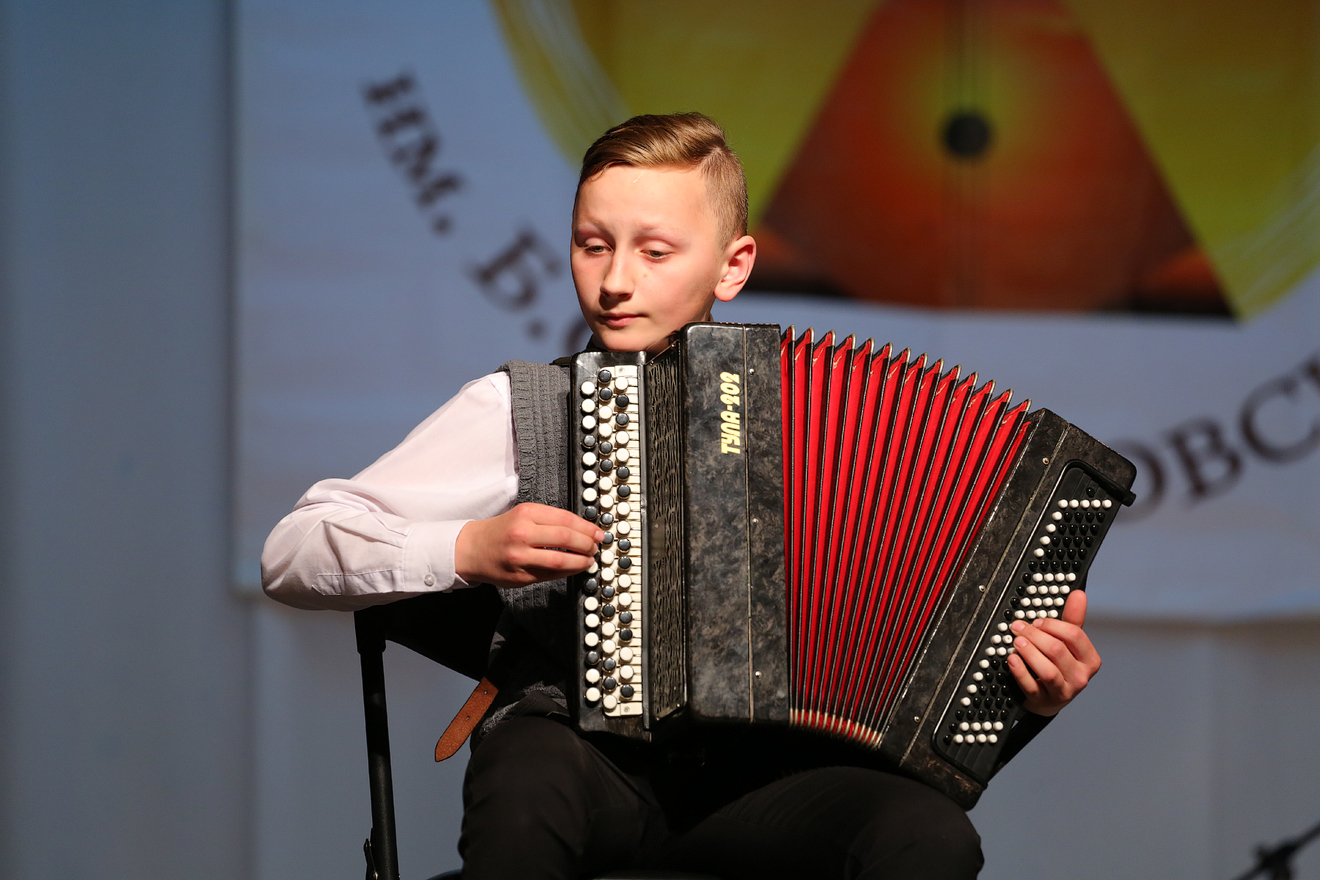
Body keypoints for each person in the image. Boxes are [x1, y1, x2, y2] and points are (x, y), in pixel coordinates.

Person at [262, 112, 1102, 880]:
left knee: (929, 837)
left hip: (772, 781)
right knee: (522, 782)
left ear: (733, 265)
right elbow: (292, 549)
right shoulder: (526, 407)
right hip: (585, 761)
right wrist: (466, 547)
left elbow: (926, 676)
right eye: (592, 245)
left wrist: (1026, 692)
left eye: (655, 252)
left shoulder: (822, 411)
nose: (615, 281)